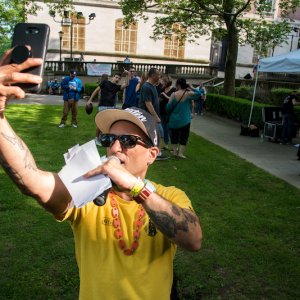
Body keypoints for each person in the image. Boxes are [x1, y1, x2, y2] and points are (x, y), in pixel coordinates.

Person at [0, 50, 202, 298]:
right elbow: (32, 181)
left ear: (152, 154)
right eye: (109, 139)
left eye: (128, 140)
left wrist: (137, 188)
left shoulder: (170, 195)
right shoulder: (88, 190)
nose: (115, 148)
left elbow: (193, 240)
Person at [87, 72, 129, 144]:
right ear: (113, 77)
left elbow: (126, 84)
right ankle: (96, 139)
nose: (117, 79)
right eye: (116, 77)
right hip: (102, 106)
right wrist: (90, 100)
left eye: (119, 78)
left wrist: (127, 75)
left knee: (108, 124)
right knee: (100, 123)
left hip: (111, 107)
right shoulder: (105, 82)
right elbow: (96, 90)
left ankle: (103, 138)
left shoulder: (117, 87)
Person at [139, 68, 167, 159]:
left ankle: (152, 152)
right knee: (158, 133)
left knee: (155, 134)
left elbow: (152, 101)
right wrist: (156, 117)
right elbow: (148, 103)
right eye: (158, 75)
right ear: (152, 75)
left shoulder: (152, 86)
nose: (160, 76)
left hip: (152, 116)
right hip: (148, 116)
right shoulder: (146, 87)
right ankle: (155, 153)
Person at [167, 78, 196, 159]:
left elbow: (168, 107)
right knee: (184, 136)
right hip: (185, 120)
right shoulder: (189, 94)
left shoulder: (173, 94)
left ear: (178, 85)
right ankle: (180, 153)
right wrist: (192, 87)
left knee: (174, 136)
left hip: (174, 119)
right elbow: (199, 93)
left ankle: (174, 152)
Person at [159, 75, 176, 150]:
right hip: (162, 111)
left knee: (170, 129)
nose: (162, 83)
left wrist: (165, 95)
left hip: (169, 112)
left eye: (164, 81)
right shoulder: (163, 89)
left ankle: (174, 146)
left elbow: (173, 100)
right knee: (164, 128)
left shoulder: (173, 89)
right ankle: (166, 144)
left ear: (167, 82)